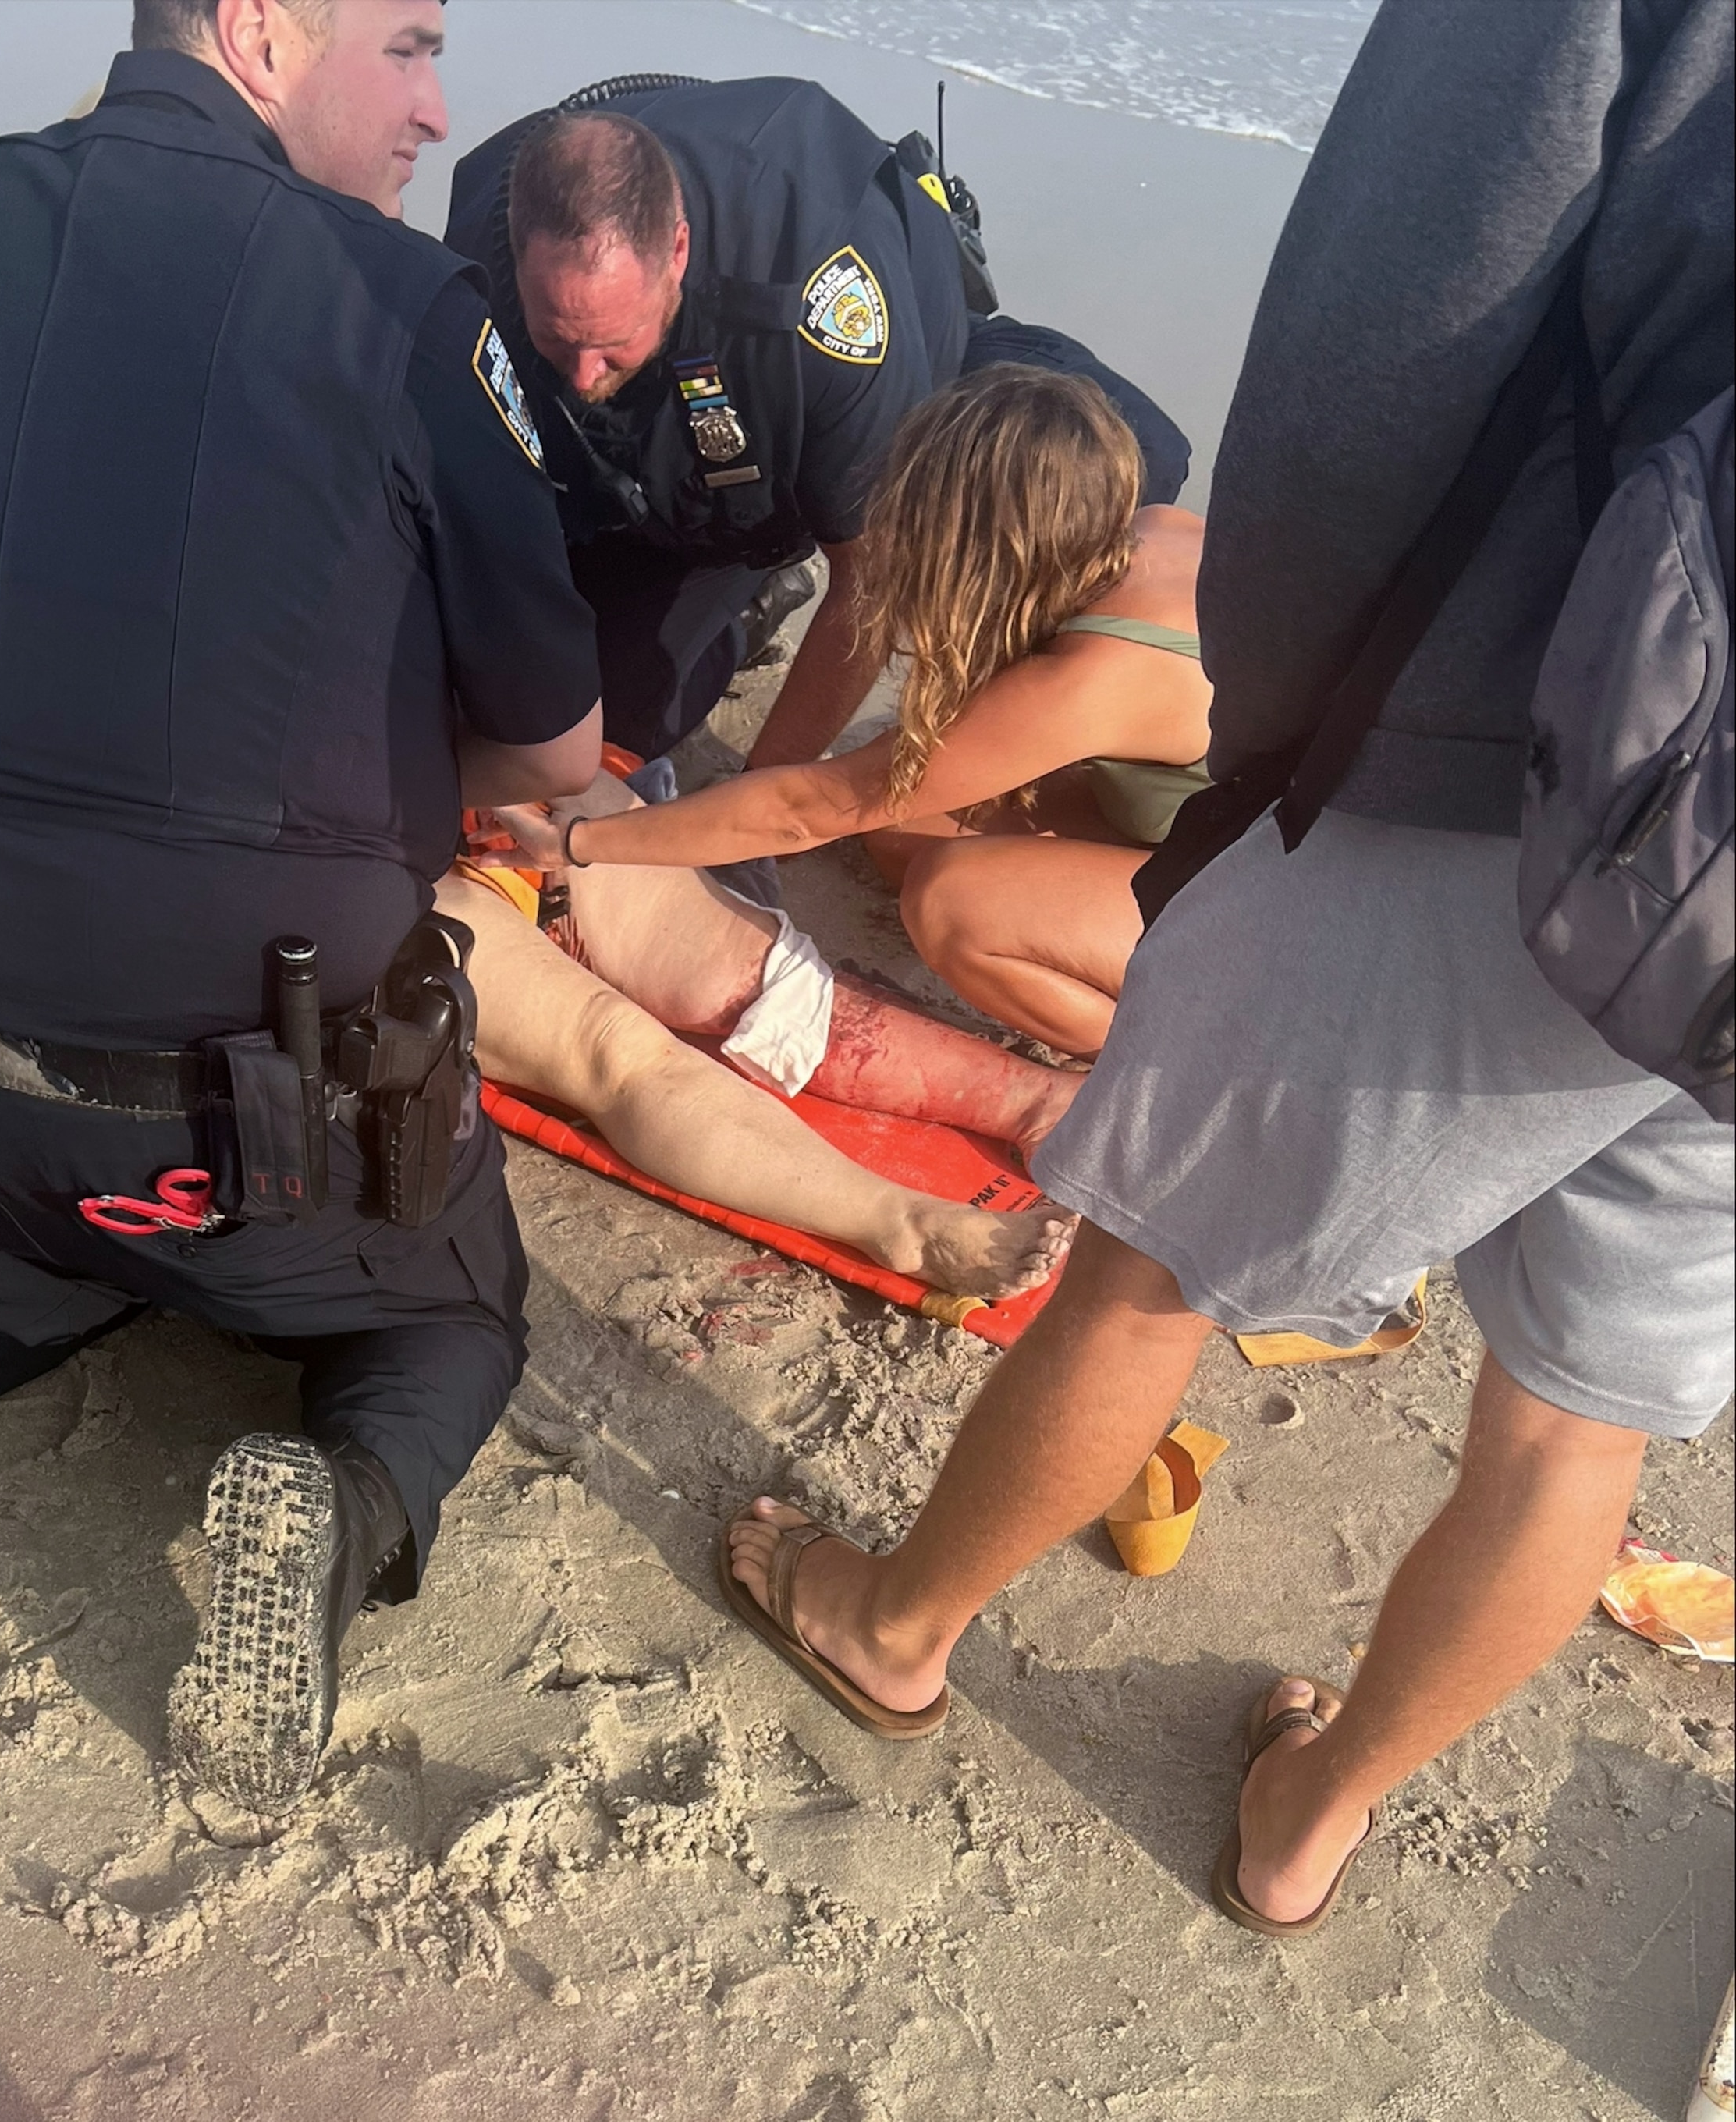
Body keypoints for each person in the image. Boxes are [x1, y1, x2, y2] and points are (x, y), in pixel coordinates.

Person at [718, 0, 1731, 1936]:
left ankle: (894, 1619)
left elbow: (1396, 310)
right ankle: (1307, 1816)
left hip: (1534, 763)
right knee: (1569, 1428)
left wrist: (1291, 719)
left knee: (1148, 1256)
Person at [0, 0, 603, 1817]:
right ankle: (334, 1510)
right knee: (447, 1305)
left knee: (44, 1223)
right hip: (242, 1114)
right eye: (401, 45)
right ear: (252, 28)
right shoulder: (392, 309)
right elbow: (555, 748)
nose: (435, 108)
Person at [444, 78, 1190, 772]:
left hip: (851, 410)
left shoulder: (827, 311)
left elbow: (869, 585)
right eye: (559, 338)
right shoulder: (478, 243)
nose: (581, 374)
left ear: (676, 251)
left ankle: (763, 585)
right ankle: (728, 593)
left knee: (1124, 466)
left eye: (610, 342)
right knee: (559, 719)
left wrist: (752, 820)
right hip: (643, 469)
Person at [493, 364, 1213, 1056]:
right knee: (908, 824)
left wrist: (582, 842)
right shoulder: (1153, 529)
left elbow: (805, 808)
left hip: (1269, 926)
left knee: (952, 904)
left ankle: (1158, 1057)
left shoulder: (1090, 681)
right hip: (1228, 835)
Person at [445, 768, 1079, 1302]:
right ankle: (905, 1225)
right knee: (617, 1049)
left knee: (754, 977)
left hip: (477, 807)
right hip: (386, 884)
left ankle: (1034, 1100)